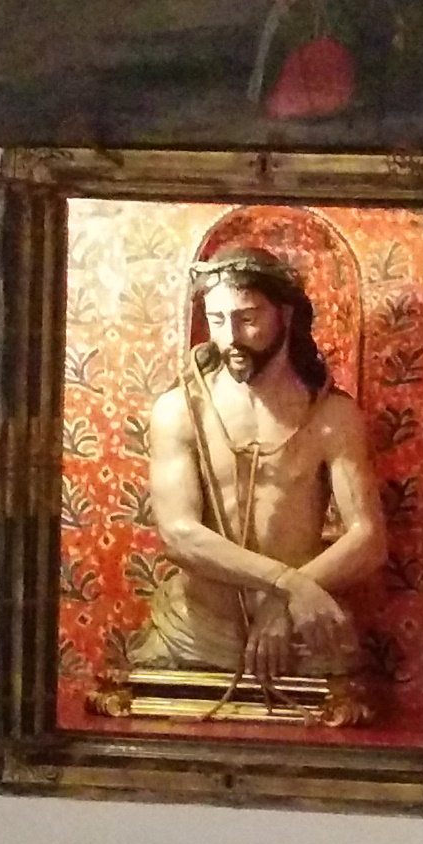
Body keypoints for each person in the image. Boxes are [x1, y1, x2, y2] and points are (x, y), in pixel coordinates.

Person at [134, 248, 386, 694]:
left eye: (247, 318)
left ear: (285, 315)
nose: (229, 337)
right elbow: (178, 534)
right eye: (216, 320)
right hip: (198, 630)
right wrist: (285, 584)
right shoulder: (180, 411)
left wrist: (285, 604)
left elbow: (368, 539)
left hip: (303, 630)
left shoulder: (331, 416)